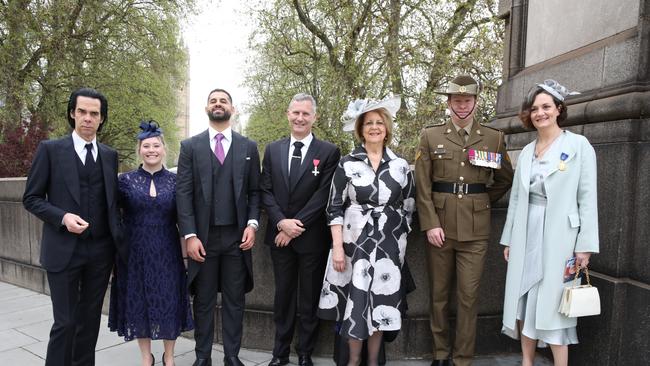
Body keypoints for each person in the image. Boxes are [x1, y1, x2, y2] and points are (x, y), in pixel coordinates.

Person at [23, 87, 127, 366]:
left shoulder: (109, 155)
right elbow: (31, 198)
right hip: (63, 249)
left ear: (102, 119)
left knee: (90, 322)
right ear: (72, 113)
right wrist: (62, 217)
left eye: (94, 114)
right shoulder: (50, 150)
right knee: (65, 322)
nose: (87, 118)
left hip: (100, 252)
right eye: (82, 112)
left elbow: (112, 202)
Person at [414, 75, 514, 366]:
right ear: (448, 103)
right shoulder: (430, 136)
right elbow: (423, 186)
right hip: (439, 228)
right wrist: (430, 222)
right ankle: (440, 353)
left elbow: (504, 178)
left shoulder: (493, 138)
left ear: (475, 102)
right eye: (456, 101)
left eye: (467, 100)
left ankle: (462, 359)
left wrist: (480, 203)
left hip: (475, 230)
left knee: (469, 297)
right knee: (439, 295)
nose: (461, 106)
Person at [500, 80, 599, 366]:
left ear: (558, 109)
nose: (539, 113)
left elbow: (588, 197)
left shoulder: (578, 145)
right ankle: (527, 362)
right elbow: (517, 199)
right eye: (534, 109)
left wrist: (585, 246)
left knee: (555, 305)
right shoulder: (528, 150)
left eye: (546, 107)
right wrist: (508, 238)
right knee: (526, 298)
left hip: (561, 236)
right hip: (526, 233)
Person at [318, 95, 415, 366]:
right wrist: (338, 247)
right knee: (357, 305)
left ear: (387, 129)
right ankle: (352, 362)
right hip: (354, 245)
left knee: (381, 305)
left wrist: (399, 239)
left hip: (388, 246)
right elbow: (333, 207)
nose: (374, 127)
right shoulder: (347, 163)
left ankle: (373, 363)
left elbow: (409, 206)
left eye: (379, 123)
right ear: (360, 129)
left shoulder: (400, 165)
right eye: (369, 123)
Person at [176, 88, 261, 366]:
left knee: (235, 301)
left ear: (232, 109)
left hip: (237, 237)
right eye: (213, 100)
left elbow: (255, 192)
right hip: (204, 237)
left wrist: (252, 224)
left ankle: (232, 356)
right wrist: (189, 234)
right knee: (203, 301)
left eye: (223, 100)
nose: (218, 104)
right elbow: (183, 193)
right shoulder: (190, 147)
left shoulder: (248, 147)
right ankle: (202, 356)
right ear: (206, 108)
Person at [260, 93, 341, 366]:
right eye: (296, 113)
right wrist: (281, 222)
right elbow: (266, 191)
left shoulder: (329, 152)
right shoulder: (272, 150)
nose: (300, 118)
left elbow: (323, 196)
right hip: (279, 238)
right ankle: (279, 353)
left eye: (306, 114)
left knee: (308, 298)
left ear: (314, 118)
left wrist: (295, 226)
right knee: (282, 297)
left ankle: (304, 352)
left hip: (312, 239)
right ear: (287, 114)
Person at [108, 121, 194, 366]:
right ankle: (146, 356)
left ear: (164, 149)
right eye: (146, 146)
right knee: (139, 302)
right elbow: (113, 215)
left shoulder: (176, 182)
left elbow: (184, 217)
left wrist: (188, 249)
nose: (151, 150)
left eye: (156, 145)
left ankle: (169, 355)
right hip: (134, 252)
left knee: (168, 300)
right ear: (140, 150)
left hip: (167, 250)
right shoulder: (125, 181)